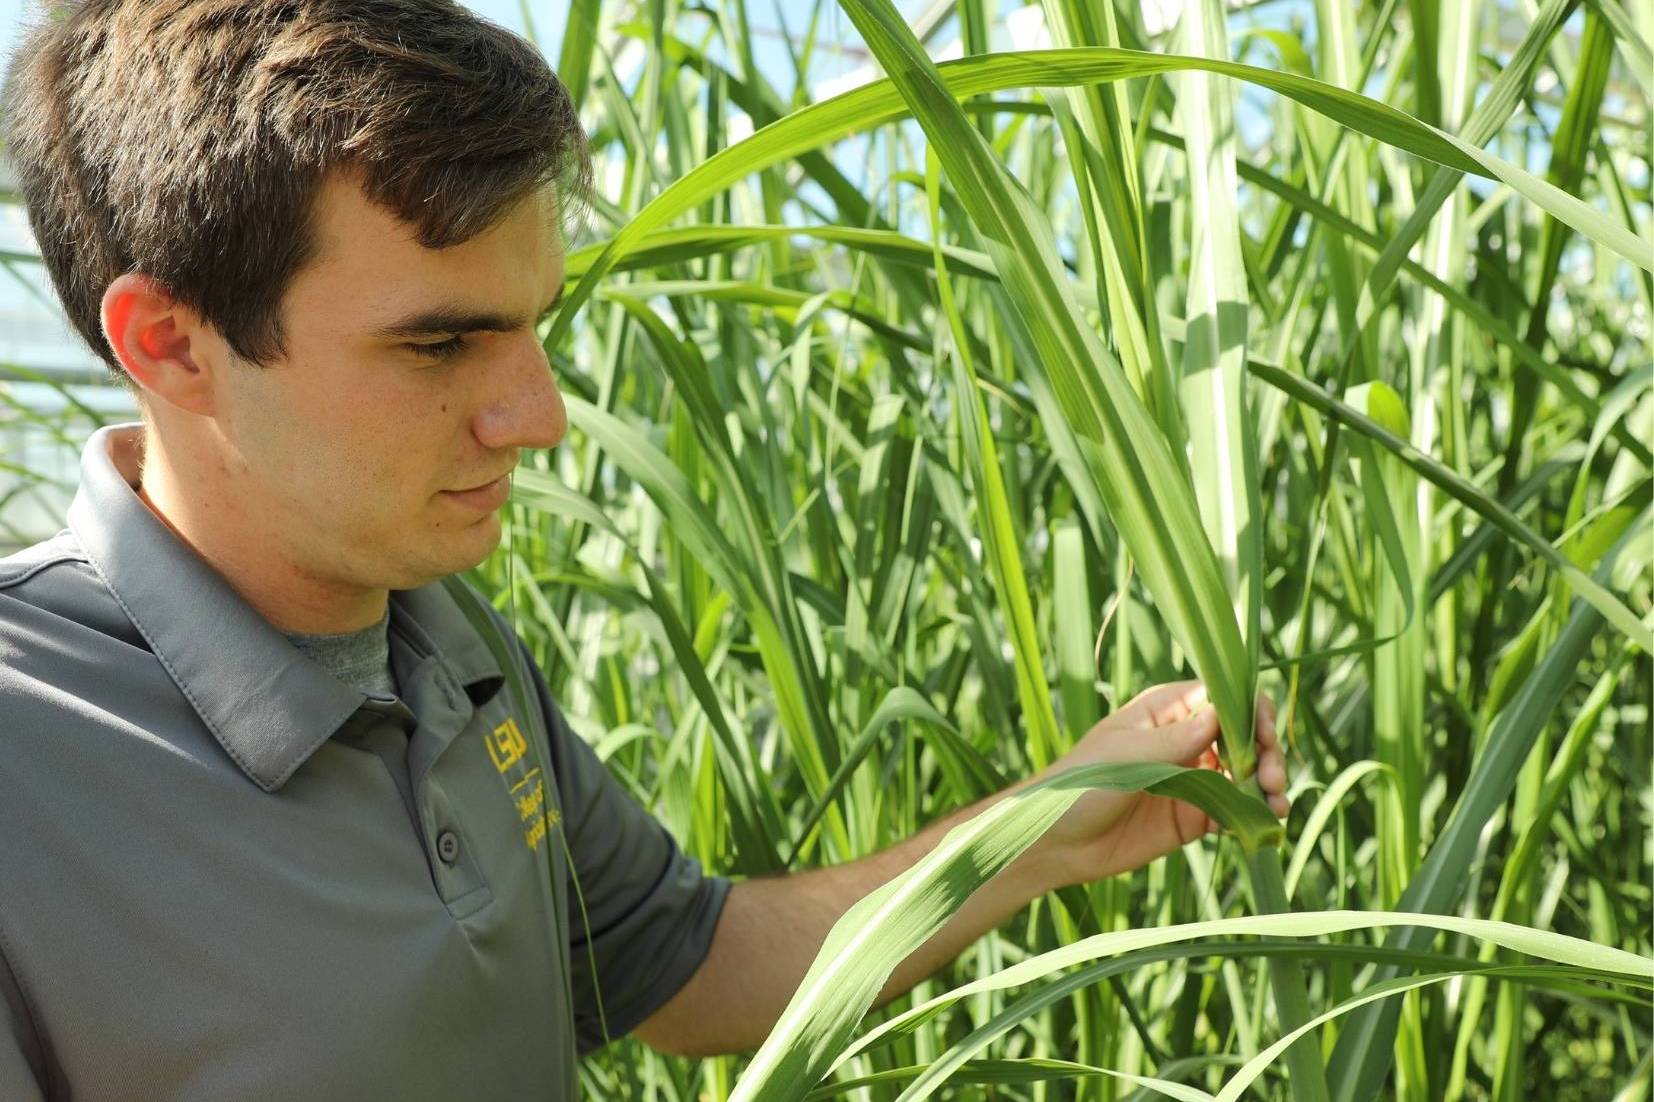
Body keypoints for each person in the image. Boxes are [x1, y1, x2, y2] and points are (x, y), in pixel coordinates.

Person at [0, 2, 1290, 1098]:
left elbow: (688, 962)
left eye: (534, 328)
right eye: (441, 344)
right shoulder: (30, 752)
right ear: (169, 342)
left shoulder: (447, 640)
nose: (542, 418)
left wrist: (1055, 821)